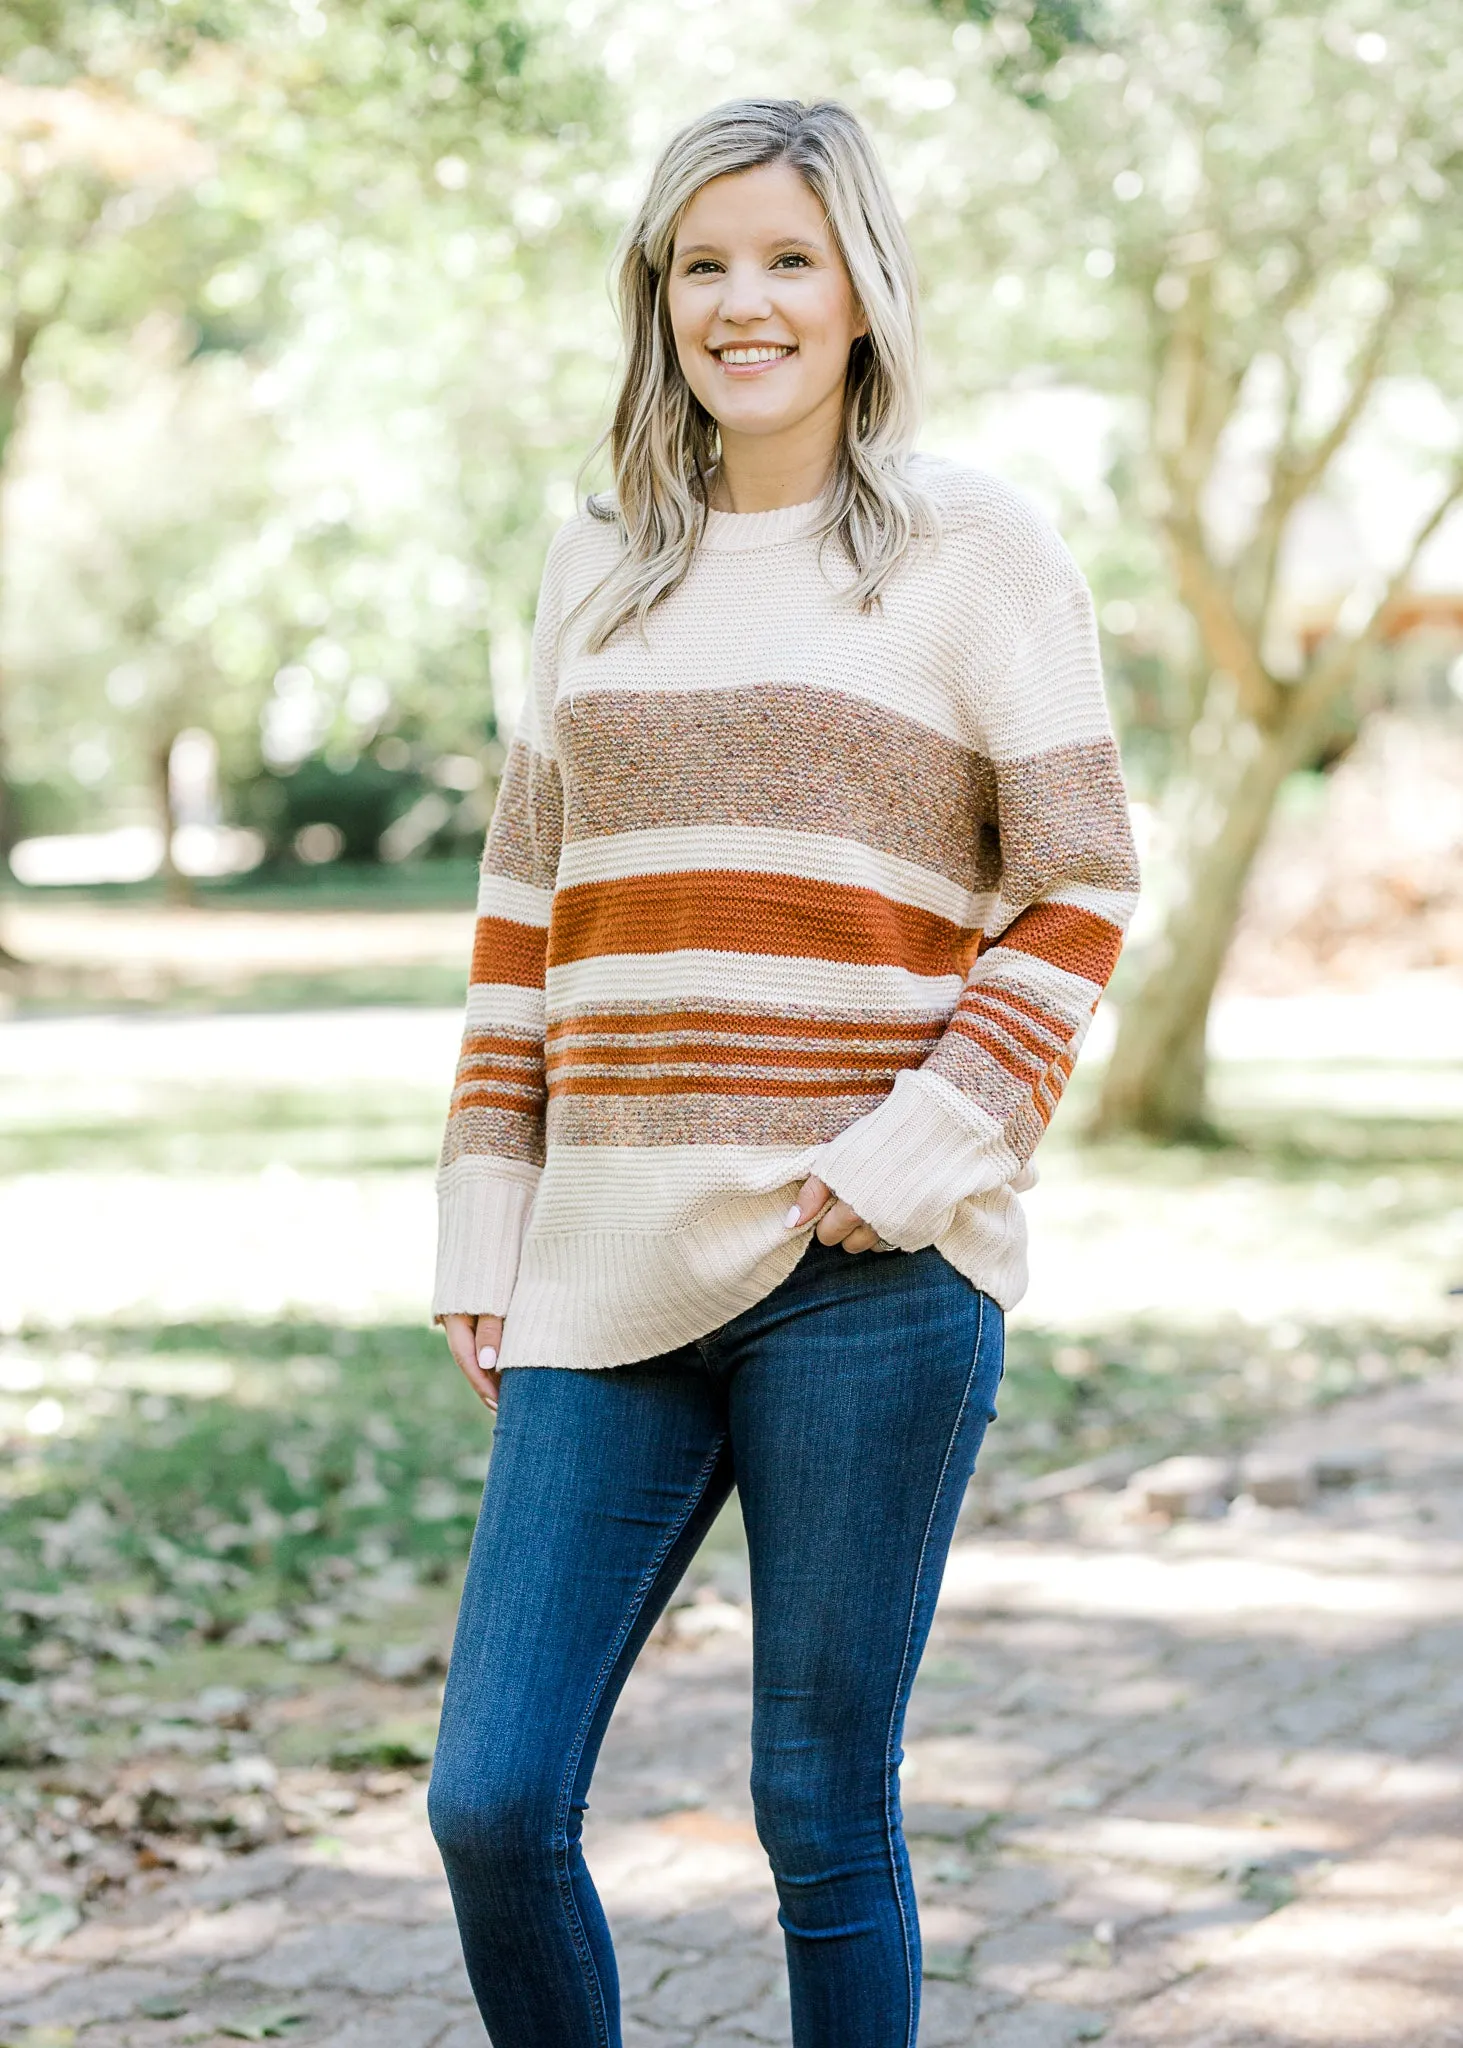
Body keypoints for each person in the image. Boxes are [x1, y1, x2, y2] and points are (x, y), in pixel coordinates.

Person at [426, 95, 1139, 2048]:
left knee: (820, 1812)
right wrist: (485, 1209)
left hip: (870, 1280)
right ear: (657, 298)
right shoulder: (594, 563)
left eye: (783, 258)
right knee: (488, 1800)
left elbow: (1078, 886)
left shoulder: (970, 545)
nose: (740, 301)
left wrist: (923, 1144)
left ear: (856, 290)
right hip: (605, 1264)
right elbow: (522, 909)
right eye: (699, 263)